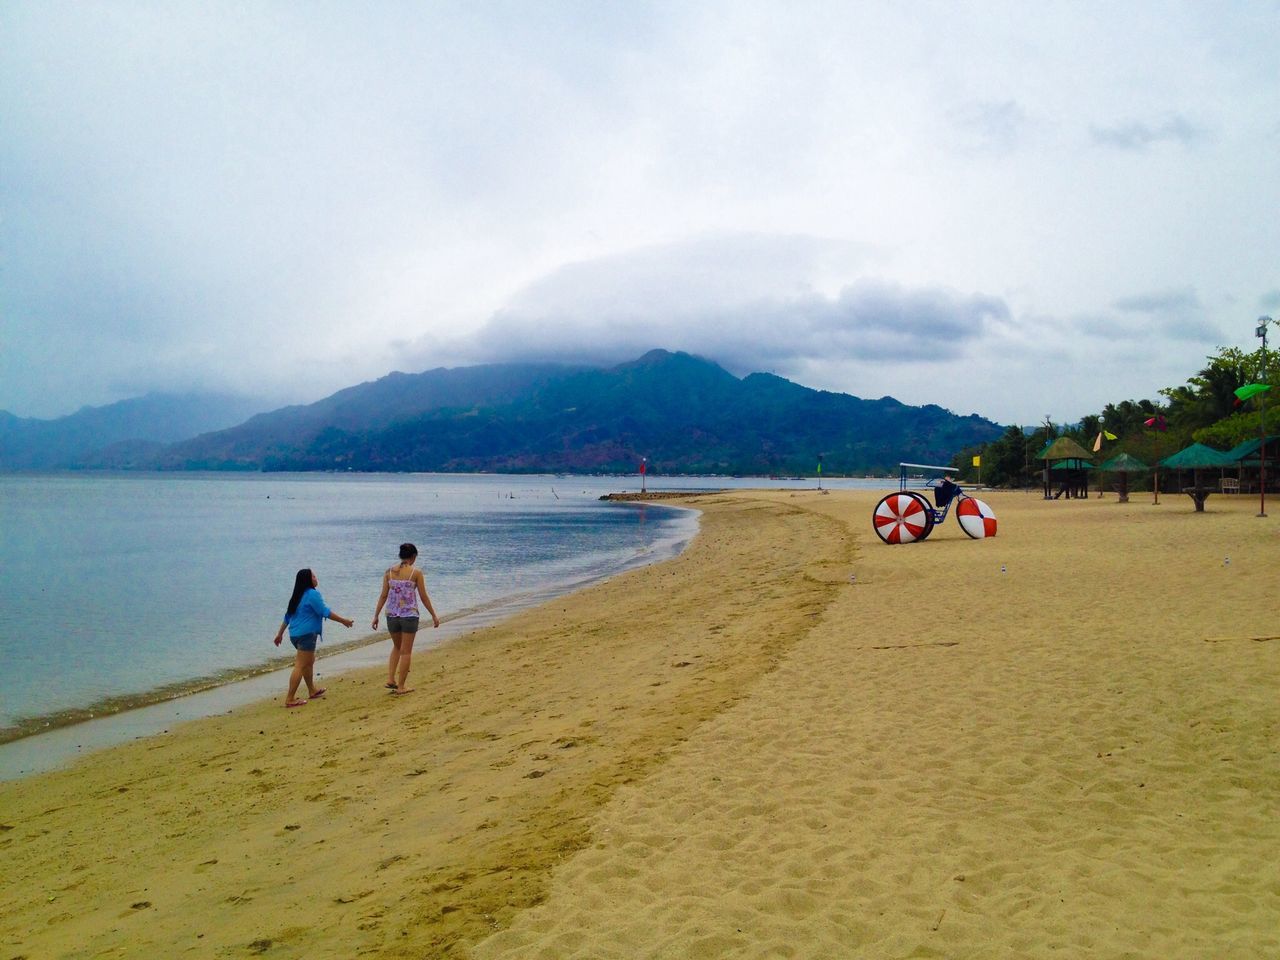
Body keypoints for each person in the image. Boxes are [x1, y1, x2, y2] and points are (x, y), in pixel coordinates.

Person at [272, 568, 353, 708]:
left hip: (295, 635)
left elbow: (287, 616)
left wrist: (280, 634)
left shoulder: (297, 595)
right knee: (301, 664)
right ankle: (289, 698)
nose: (316, 578)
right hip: (306, 635)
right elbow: (324, 612)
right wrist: (343, 620)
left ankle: (312, 690)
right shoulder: (312, 594)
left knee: (309, 661)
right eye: (313, 576)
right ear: (308, 580)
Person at [372, 542, 440, 695]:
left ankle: (391, 679)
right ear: (413, 557)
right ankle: (401, 686)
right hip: (409, 615)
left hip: (391, 615)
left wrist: (376, 615)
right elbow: (423, 596)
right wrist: (434, 615)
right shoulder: (416, 573)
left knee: (397, 647)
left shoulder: (389, 572)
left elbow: (383, 595)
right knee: (406, 651)